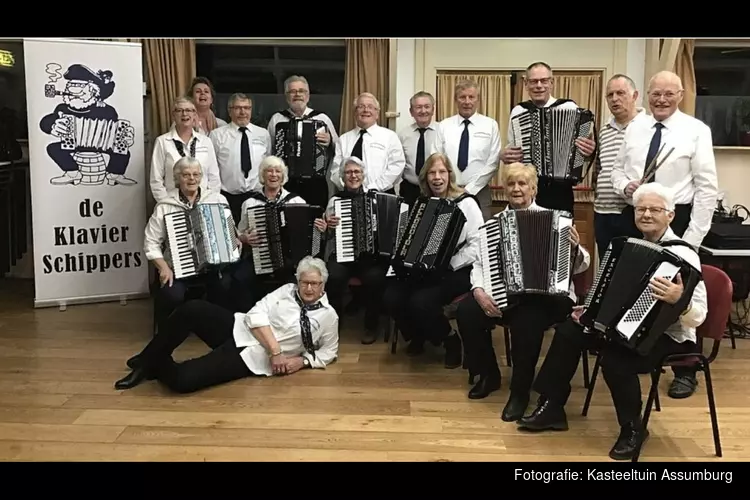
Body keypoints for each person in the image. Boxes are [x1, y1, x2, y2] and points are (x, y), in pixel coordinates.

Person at [517, 182, 707, 461]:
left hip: (670, 336)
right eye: (640, 209)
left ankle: (633, 429)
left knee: (616, 359)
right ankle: (552, 405)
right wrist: (592, 309)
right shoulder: (629, 247)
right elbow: (611, 291)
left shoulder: (685, 255)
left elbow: (699, 316)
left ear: (671, 215)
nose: (646, 215)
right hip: (621, 327)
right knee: (570, 330)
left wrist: (680, 299)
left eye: (655, 209)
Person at [610, 70, 718, 399]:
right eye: (656, 93)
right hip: (640, 214)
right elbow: (616, 170)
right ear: (647, 95)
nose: (661, 99)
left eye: (669, 94)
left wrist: (691, 240)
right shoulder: (636, 128)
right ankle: (633, 343)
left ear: (681, 95)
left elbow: (707, 188)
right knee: (639, 288)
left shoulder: (696, 130)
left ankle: (685, 368)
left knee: (681, 294)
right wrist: (624, 186)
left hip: (678, 219)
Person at [456, 162, 590, 421]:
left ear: (533, 189)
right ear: (504, 189)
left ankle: (520, 392)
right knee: (467, 312)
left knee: (527, 320)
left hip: (551, 297)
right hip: (504, 293)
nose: (517, 189)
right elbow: (480, 263)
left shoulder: (558, 220)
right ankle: (489, 375)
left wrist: (575, 247)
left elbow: (579, 265)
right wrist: (480, 291)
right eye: (511, 184)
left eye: (522, 184)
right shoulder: (492, 225)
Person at [114, 256, 339, 392]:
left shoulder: (329, 316)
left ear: (323, 285)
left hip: (252, 356)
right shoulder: (286, 291)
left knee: (184, 381)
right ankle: (146, 361)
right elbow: (254, 315)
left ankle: (154, 363)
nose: (308, 289)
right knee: (192, 308)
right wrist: (276, 351)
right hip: (238, 327)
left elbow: (329, 352)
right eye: (304, 282)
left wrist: (302, 361)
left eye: (314, 284)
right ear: (297, 281)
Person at [383, 152, 484, 367]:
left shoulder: (467, 203)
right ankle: (418, 335)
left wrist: (450, 263)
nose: (437, 177)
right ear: (425, 178)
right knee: (392, 296)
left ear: (449, 175)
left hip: (459, 269)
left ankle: (449, 339)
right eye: (431, 173)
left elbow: (478, 244)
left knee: (421, 301)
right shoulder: (423, 203)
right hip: (426, 268)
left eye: (441, 172)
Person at [220, 155, 326, 312]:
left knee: (296, 279)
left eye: (278, 171)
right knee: (239, 278)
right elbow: (241, 233)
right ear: (263, 175)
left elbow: (311, 235)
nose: (273, 175)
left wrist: (319, 229)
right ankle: (248, 317)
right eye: (269, 171)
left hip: (290, 261)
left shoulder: (296, 201)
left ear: (283, 176)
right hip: (258, 257)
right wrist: (245, 238)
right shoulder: (250, 203)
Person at [142, 156, 234, 336]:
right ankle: (165, 338)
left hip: (212, 268)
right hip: (178, 271)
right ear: (177, 179)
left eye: (196, 174)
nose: (192, 179)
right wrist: (163, 268)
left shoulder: (217, 200)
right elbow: (150, 243)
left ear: (201, 177)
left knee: (228, 287)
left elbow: (231, 233)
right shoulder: (165, 206)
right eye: (186, 175)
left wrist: (234, 241)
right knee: (170, 295)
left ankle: (220, 335)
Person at [500, 62, 596, 214]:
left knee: (560, 234)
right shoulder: (519, 111)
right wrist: (505, 155)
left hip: (560, 190)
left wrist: (588, 151)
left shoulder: (569, 107)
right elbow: (511, 150)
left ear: (552, 83)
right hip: (527, 190)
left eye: (544, 81)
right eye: (533, 81)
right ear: (526, 84)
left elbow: (582, 154)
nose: (539, 85)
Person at [324, 156, 390, 344]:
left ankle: (371, 325)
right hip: (343, 255)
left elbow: (387, 229)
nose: (353, 175)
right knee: (333, 276)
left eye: (357, 172)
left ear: (363, 175)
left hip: (369, 258)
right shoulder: (335, 201)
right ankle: (333, 324)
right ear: (343, 178)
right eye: (348, 172)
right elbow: (327, 236)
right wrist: (329, 227)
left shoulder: (376, 199)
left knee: (375, 278)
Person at [593, 74, 647, 257]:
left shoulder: (648, 127)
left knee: (630, 268)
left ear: (634, 96)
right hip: (602, 212)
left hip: (631, 212)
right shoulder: (604, 130)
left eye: (621, 93)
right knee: (605, 269)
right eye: (610, 95)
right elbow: (600, 167)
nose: (615, 99)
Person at [267, 75, 338, 210]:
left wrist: (330, 141)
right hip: (286, 182)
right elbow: (269, 152)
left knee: (315, 220)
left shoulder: (322, 118)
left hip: (315, 182)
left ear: (308, 95)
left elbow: (339, 149)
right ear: (286, 96)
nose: (297, 95)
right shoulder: (277, 119)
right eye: (293, 91)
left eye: (302, 91)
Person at [433, 79, 501, 219]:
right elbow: (436, 159)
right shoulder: (444, 126)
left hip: (479, 192)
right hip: (448, 191)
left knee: (481, 236)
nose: (467, 101)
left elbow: (493, 162)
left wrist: (470, 189)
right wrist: (451, 188)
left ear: (478, 100)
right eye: (462, 97)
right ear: (455, 100)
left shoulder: (490, 125)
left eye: (471, 97)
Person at [209, 93, 272, 225]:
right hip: (229, 198)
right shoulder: (217, 135)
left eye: (247, 108)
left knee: (257, 239)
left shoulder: (263, 134)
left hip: (257, 197)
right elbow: (211, 168)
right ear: (230, 111)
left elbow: (267, 164)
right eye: (237, 108)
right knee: (231, 240)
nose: (243, 112)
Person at [330, 92, 406, 195]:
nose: (366, 110)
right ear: (354, 112)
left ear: (377, 114)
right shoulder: (343, 139)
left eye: (370, 107)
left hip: (381, 194)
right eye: (361, 107)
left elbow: (397, 166)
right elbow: (336, 169)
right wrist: (347, 186)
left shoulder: (390, 137)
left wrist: (373, 187)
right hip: (349, 196)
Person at [149, 96, 221, 203]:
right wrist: (168, 204)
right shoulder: (162, 142)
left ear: (194, 115)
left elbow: (214, 178)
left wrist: (209, 201)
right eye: (179, 110)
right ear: (173, 115)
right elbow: (156, 180)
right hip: (174, 204)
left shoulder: (206, 142)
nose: (184, 114)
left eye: (188, 110)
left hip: (203, 203)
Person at [397, 91, 440, 207]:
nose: (423, 111)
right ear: (411, 112)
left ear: (433, 110)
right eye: (418, 107)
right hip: (409, 190)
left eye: (427, 107)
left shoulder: (443, 132)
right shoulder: (402, 135)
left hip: (436, 190)